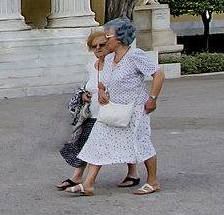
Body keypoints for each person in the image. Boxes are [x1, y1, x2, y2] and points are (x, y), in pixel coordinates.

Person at [68, 17, 164, 195]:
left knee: (141, 142)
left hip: (135, 108)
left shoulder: (135, 55)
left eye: (108, 36)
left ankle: (153, 181)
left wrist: (153, 98)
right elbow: (102, 82)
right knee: (97, 141)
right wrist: (102, 91)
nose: (105, 40)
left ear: (119, 38)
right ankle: (88, 183)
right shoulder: (110, 57)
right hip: (113, 109)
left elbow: (158, 73)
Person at [56, 29, 142, 190]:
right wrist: (83, 94)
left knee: (124, 140)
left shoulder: (117, 64)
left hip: (113, 111)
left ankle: (132, 172)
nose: (98, 49)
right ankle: (78, 176)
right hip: (93, 112)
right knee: (86, 143)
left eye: (102, 45)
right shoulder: (92, 66)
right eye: (94, 46)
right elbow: (88, 86)